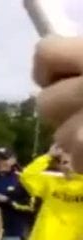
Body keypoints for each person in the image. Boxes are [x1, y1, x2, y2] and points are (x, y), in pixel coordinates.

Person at [33, 36, 83, 173]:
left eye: (66, 161)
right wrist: (48, 157)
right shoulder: (52, 179)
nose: (65, 164)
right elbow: (28, 176)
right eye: (63, 161)